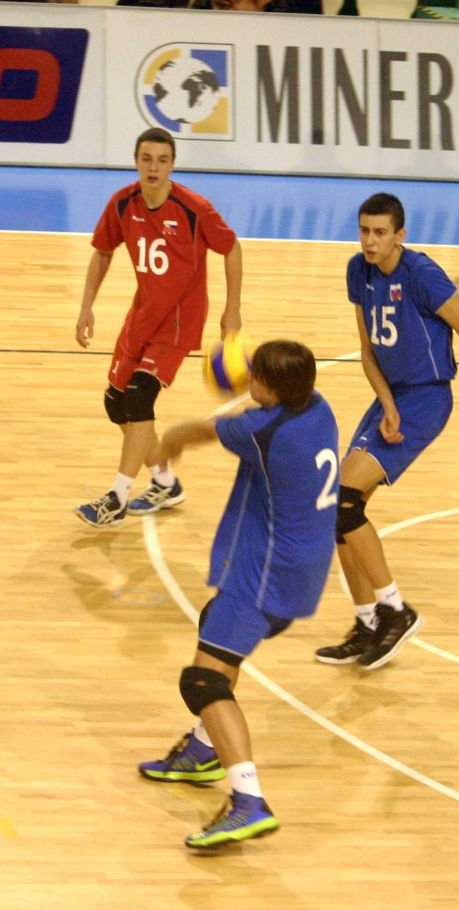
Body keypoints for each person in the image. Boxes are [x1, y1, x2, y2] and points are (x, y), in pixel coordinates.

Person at [137, 340, 339, 849]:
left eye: (256, 376)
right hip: (303, 567)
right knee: (217, 630)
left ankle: (248, 801)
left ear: (269, 385)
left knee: (203, 682)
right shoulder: (318, 408)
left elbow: (201, 431)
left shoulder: (263, 430)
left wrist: (168, 442)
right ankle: (203, 750)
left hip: (265, 573)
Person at [315, 193, 459, 672]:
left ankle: (396, 610)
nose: (370, 241)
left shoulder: (422, 275)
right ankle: (367, 623)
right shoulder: (358, 271)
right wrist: (386, 403)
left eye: (380, 232)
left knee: (345, 501)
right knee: (337, 511)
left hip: (427, 399)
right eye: (364, 231)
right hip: (392, 397)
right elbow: (367, 349)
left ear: (400, 235)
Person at [74, 127, 243, 527]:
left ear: (172, 165)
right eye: (147, 159)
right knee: (116, 404)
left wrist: (232, 310)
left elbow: (231, 247)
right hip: (142, 315)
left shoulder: (193, 208)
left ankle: (117, 496)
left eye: (162, 160)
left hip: (180, 320)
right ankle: (165, 483)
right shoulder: (122, 203)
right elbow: (102, 252)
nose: (154, 167)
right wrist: (86, 307)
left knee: (138, 398)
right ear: (136, 161)